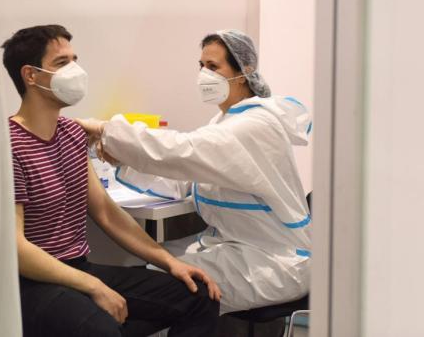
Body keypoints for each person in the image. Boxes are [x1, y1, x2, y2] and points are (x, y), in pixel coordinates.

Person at [1, 25, 220, 337]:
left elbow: (105, 211)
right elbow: (16, 248)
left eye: (74, 60)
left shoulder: (72, 133)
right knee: (100, 328)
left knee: (199, 296)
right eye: (62, 63)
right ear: (30, 75)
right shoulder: (8, 144)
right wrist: (93, 286)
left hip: (79, 267)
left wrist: (170, 262)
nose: (75, 71)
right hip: (33, 283)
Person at [77, 29, 312, 314]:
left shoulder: (256, 125)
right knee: (157, 268)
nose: (204, 74)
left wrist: (106, 129)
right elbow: (186, 181)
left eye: (213, 66)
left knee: (173, 286)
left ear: (244, 71)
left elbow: (182, 149)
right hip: (239, 248)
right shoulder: (224, 122)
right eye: (201, 65)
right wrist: (123, 161)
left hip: (277, 261)